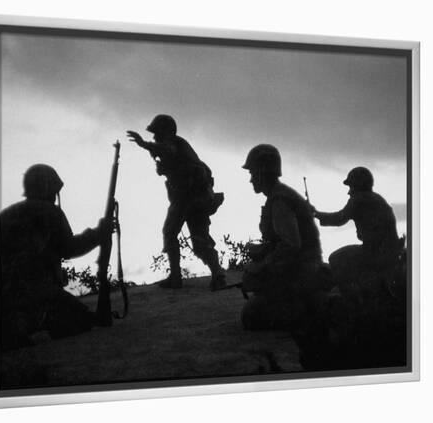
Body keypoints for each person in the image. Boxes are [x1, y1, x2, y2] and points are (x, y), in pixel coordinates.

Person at [0, 164, 111, 351]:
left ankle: (14, 327)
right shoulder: (50, 212)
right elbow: (69, 248)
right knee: (80, 321)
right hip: (39, 294)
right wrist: (98, 234)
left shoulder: (5, 215)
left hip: (0, 296)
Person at [312, 167, 406, 369]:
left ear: (357, 185)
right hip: (386, 252)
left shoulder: (360, 199)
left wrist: (315, 213)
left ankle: (351, 301)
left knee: (336, 258)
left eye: (350, 186)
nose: (349, 191)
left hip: (376, 254)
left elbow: (339, 219)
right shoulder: (375, 198)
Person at [127, 114, 225, 290]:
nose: (155, 137)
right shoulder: (171, 146)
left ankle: (207, 274)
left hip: (191, 198)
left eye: (157, 133)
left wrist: (144, 144)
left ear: (167, 132)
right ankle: (188, 276)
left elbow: (167, 151)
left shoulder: (173, 144)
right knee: (185, 235)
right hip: (187, 198)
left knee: (187, 237)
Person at [240, 144, 325, 331]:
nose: (251, 179)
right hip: (300, 266)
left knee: (253, 316)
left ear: (262, 172)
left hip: (301, 270)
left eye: (253, 173)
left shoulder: (280, 200)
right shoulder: (279, 196)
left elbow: (291, 245)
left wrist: (262, 266)